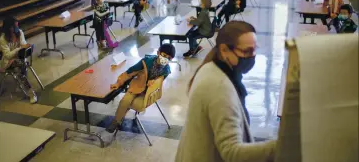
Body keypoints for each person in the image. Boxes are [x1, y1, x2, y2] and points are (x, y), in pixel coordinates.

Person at [175, 21, 276, 162]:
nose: (252, 56)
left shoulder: (210, 67)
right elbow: (232, 152)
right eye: (246, 51)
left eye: (254, 50)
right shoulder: (219, 87)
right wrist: (280, 147)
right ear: (224, 50)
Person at [106, 44, 176, 133]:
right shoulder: (146, 61)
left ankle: (120, 115)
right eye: (164, 55)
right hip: (137, 86)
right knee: (125, 101)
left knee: (136, 105)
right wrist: (118, 83)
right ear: (158, 53)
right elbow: (129, 72)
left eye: (169, 58)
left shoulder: (166, 70)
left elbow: (159, 84)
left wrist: (154, 81)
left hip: (148, 93)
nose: (166, 59)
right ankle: (116, 121)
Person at [0, 16, 38, 104]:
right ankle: (31, 94)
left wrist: (23, 47)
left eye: (17, 26)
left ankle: (26, 88)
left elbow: (24, 45)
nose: (17, 28)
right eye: (15, 26)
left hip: (19, 60)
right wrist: (19, 48)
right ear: (9, 28)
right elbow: (8, 56)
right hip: (7, 63)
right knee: (20, 66)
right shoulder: (2, 39)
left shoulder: (20, 32)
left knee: (20, 66)